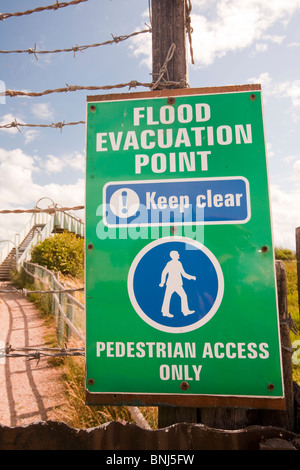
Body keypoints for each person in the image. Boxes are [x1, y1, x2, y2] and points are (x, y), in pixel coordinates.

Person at [159, 250, 196, 318]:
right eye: (177, 254)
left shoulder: (179, 263)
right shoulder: (169, 263)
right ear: (174, 256)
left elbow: (183, 274)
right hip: (171, 283)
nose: (179, 255)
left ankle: (185, 311)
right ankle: (165, 312)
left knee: (183, 296)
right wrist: (162, 282)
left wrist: (191, 277)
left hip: (177, 283)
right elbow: (164, 272)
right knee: (168, 297)